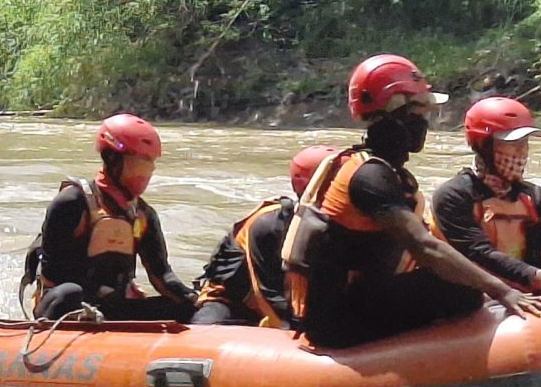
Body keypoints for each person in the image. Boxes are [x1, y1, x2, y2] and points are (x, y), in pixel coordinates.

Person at [283, 54, 541, 349]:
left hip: (353, 301)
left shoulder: (379, 169)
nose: (424, 123)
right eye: (419, 112)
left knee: (454, 284)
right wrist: (502, 290)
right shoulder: (369, 176)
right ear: (395, 112)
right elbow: (424, 247)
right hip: (335, 322)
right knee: (457, 291)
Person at [27, 113, 194, 321]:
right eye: (139, 163)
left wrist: (191, 297)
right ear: (112, 159)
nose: (146, 173)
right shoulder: (71, 203)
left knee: (181, 308)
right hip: (65, 305)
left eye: (149, 164)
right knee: (69, 293)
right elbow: (53, 276)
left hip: (111, 307)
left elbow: (162, 276)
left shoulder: (143, 215)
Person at [432, 96, 541, 295]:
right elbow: (479, 253)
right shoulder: (454, 196)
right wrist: (540, 278)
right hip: (478, 289)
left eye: (525, 143)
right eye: (512, 143)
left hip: (527, 281)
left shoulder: (536, 197)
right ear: (485, 146)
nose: (522, 151)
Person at [193, 143, 328, 329]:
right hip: (233, 301)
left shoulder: (343, 222)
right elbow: (266, 294)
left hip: (284, 299)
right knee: (206, 330)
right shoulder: (268, 224)